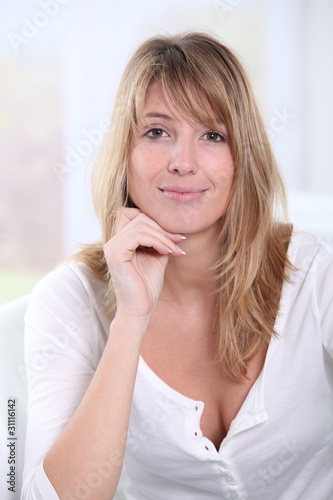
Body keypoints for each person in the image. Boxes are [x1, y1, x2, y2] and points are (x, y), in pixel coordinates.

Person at [21, 32, 333, 500]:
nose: (182, 163)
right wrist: (131, 317)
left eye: (212, 135)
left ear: (242, 157)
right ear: (124, 154)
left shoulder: (316, 277)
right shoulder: (68, 298)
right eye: (157, 132)